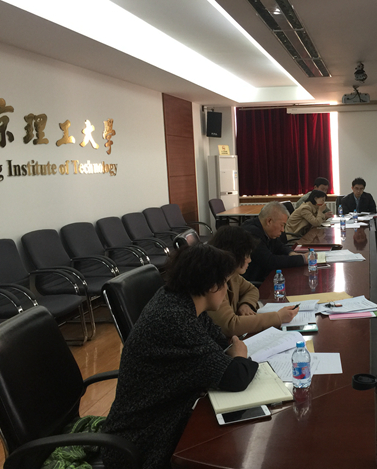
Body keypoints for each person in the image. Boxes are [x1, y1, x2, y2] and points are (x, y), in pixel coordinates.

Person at [102, 244, 258, 469]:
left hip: (169, 413)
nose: (226, 290)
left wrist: (233, 355)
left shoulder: (181, 300)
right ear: (211, 286)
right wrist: (240, 355)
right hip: (145, 439)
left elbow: (220, 343)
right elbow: (236, 376)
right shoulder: (174, 320)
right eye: (225, 283)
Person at [208, 226, 299, 337]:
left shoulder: (232, 275)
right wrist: (278, 317)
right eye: (247, 255)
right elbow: (231, 326)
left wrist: (246, 304)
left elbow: (251, 289)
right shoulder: (212, 283)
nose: (250, 260)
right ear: (234, 255)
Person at [242, 201, 307, 283]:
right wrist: (302, 259)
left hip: (267, 276)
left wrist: (291, 253)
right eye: (282, 225)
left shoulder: (266, 230)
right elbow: (269, 261)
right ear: (269, 221)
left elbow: (279, 246)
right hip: (256, 282)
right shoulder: (251, 232)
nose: (283, 230)